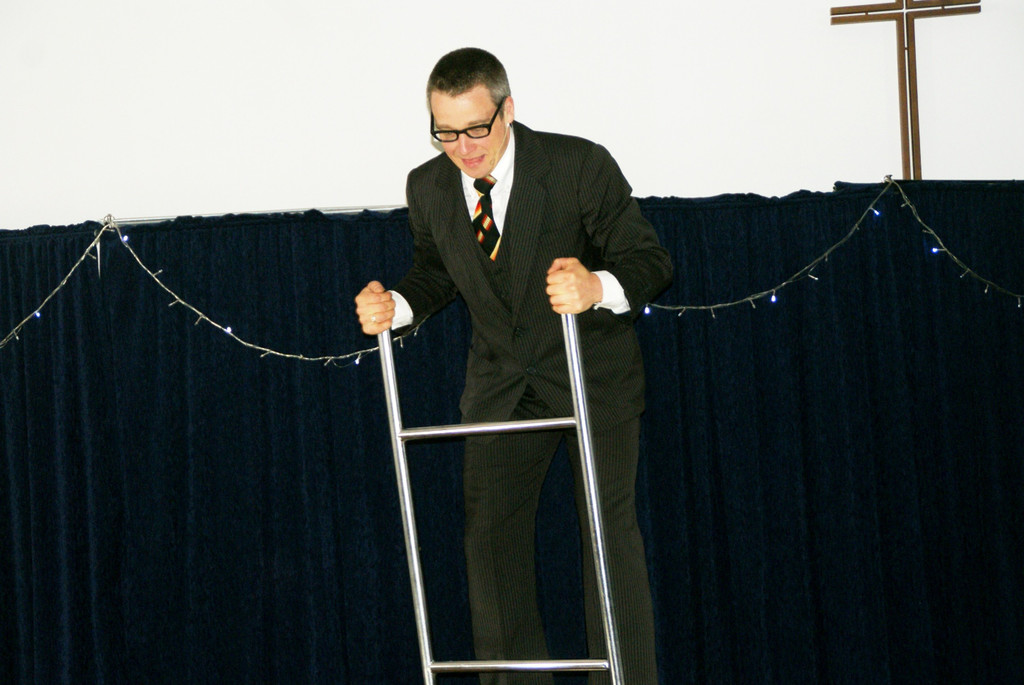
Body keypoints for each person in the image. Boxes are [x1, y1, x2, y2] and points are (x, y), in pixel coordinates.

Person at [355, 47, 672, 684]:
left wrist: (595, 285)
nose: (463, 148)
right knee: (490, 549)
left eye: (477, 128)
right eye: (446, 132)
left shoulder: (577, 163)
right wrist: (397, 304)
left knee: (607, 544)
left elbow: (649, 261)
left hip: (591, 377)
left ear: (508, 110)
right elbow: (436, 273)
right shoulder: (427, 185)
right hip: (500, 385)